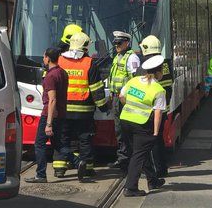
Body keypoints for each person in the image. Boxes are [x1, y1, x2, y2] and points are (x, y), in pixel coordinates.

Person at [53, 32, 108, 181]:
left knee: (62, 139)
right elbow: (96, 89)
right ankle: (87, 169)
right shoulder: (90, 63)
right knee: (85, 139)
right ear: (85, 46)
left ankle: (59, 168)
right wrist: (103, 106)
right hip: (84, 112)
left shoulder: (59, 61)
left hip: (63, 110)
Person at [120, 55, 166, 197]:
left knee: (141, 151)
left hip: (125, 121)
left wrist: (128, 108)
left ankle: (153, 181)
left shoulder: (133, 80)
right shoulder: (158, 89)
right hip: (141, 124)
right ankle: (130, 187)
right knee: (138, 155)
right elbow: (158, 113)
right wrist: (156, 132)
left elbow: (122, 96)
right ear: (158, 72)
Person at [25, 48, 69, 183]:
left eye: (44, 57)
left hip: (49, 115)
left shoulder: (50, 76)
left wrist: (48, 123)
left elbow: (52, 100)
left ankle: (41, 175)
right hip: (61, 113)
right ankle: (78, 161)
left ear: (48, 58)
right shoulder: (63, 73)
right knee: (58, 144)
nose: (43, 59)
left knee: (39, 144)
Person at [138, 35, 172, 177]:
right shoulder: (165, 63)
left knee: (147, 142)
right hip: (163, 108)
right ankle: (161, 169)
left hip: (149, 110)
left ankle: (152, 171)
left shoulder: (146, 65)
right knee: (158, 140)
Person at [108, 31, 140, 172]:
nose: (117, 46)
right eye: (115, 44)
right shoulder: (118, 56)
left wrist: (127, 96)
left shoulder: (132, 58)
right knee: (119, 129)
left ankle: (127, 160)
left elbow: (134, 79)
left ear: (127, 43)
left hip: (125, 99)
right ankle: (122, 158)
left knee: (126, 129)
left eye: (119, 43)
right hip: (116, 97)